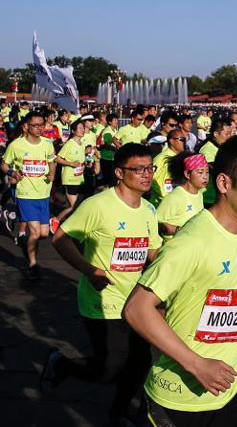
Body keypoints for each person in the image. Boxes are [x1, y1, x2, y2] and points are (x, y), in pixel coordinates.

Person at [123, 136, 237, 425]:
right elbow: (137, 308)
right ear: (223, 184)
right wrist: (197, 363)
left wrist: (228, 344)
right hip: (179, 400)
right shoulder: (192, 241)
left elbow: (219, 300)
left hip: (228, 388)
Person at [43, 143, 161, 423]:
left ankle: (118, 413)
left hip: (136, 302)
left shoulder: (148, 209)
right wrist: (89, 270)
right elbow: (61, 238)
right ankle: (63, 364)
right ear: (119, 172)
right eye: (139, 169)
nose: (147, 175)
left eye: (150, 168)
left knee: (139, 362)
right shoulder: (98, 205)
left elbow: (153, 252)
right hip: (102, 301)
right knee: (110, 367)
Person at [2, 110, 56, 280]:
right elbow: (4, 164)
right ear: (26, 126)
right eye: (36, 125)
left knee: (44, 233)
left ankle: (26, 242)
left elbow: (51, 161)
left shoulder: (47, 143)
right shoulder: (16, 145)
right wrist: (12, 173)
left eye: (42, 125)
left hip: (43, 193)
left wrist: (52, 174)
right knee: (34, 232)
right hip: (25, 194)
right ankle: (32, 264)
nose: (40, 128)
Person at [156, 152, 209, 241]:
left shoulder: (199, 194)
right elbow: (154, 224)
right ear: (187, 174)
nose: (205, 177)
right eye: (200, 172)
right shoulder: (175, 197)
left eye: (207, 172)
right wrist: (177, 230)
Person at [55, 119, 88, 223]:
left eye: (83, 127)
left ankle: (64, 222)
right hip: (70, 179)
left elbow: (79, 158)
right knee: (74, 206)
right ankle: (56, 220)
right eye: (80, 128)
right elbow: (57, 158)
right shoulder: (69, 143)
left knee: (75, 206)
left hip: (79, 178)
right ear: (73, 131)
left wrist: (85, 156)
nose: (83, 130)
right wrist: (71, 164)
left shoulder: (81, 144)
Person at [199, 116, 232, 208]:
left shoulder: (222, 147)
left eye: (231, 134)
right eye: (227, 134)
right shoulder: (207, 150)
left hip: (219, 196)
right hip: (209, 198)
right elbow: (216, 170)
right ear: (216, 134)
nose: (229, 137)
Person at [150, 128, 186, 206]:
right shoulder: (163, 159)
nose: (184, 142)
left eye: (185, 139)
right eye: (181, 139)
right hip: (162, 205)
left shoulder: (179, 157)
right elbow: (154, 180)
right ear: (172, 141)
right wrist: (168, 200)